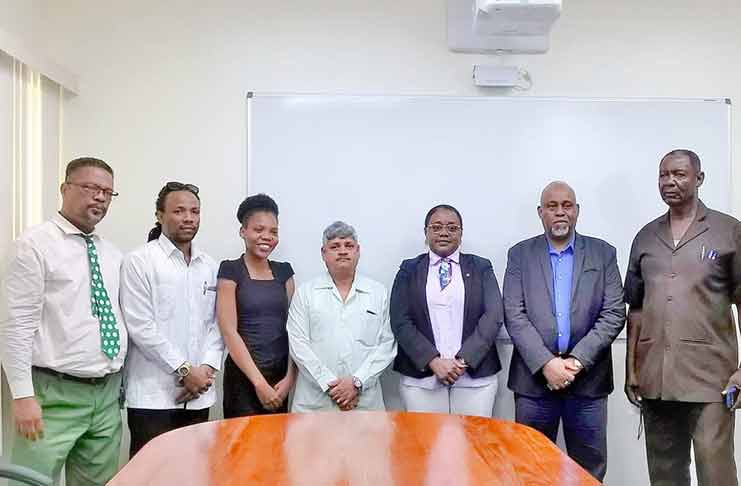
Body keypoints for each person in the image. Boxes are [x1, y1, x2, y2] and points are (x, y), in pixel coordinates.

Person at [0, 157, 128, 484]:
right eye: (91, 188)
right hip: (50, 394)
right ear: (64, 188)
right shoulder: (34, 245)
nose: (99, 197)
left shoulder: (112, 254)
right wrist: (22, 396)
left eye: (108, 192)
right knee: (28, 481)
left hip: (105, 396)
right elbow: (15, 326)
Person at [625, 149, 741, 486]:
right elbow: (636, 308)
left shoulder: (728, 231)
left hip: (712, 382)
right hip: (656, 380)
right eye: (663, 175)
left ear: (699, 179)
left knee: (715, 472)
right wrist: (633, 369)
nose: (670, 182)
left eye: (679, 174)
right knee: (664, 475)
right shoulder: (646, 236)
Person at [502, 181, 625, 481]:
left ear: (577, 211)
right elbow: (514, 313)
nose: (560, 212)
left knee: (588, 470)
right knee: (530, 468)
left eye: (567, 205)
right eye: (552, 206)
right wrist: (547, 364)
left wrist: (576, 362)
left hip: (588, 383)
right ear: (540, 212)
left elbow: (614, 312)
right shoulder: (520, 254)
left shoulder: (603, 253)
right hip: (533, 384)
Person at [120, 182, 223, 457]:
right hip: (153, 396)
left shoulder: (210, 266)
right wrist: (185, 371)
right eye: (179, 211)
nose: (188, 218)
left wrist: (205, 371)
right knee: (151, 475)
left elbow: (217, 325)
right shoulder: (139, 261)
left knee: (193, 473)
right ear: (159, 214)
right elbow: (141, 326)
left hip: (199, 395)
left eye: (195, 211)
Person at [390, 204, 504, 416]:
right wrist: (433, 361)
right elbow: (400, 320)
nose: (444, 232)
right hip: (422, 379)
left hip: (474, 378)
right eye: (436, 227)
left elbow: (493, 316)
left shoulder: (481, 267)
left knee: (472, 444)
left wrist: (462, 361)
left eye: (452, 227)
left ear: (461, 233)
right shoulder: (409, 269)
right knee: (428, 445)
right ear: (426, 232)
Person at [287, 221, 396, 412]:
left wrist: (356, 383)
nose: (343, 251)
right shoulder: (306, 292)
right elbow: (298, 344)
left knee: (368, 443)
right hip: (315, 402)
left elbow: (387, 344)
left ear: (358, 251)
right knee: (311, 443)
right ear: (323, 253)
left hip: (364, 401)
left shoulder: (378, 292)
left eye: (349, 246)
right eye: (335, 246)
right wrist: (332, 385)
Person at [216, 194, 296, 417]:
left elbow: (295, 330)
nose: (267, 237)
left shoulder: (285, 272)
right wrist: (259, 383)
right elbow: (229, 331)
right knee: (242, 448)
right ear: (243, 231)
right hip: (244, 379)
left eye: (273, 231)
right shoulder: (230, 270)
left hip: (281, 379)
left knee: (276, 447)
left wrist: (290, 377)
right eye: (258, 229)